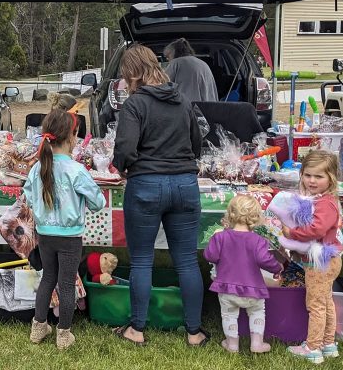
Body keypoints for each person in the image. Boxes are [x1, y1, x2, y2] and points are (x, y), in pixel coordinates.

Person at [112, 43, 206, 347]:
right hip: (184, 185)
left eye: (125, 76)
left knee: (141, 260)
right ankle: (194, 332)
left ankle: (136, 329)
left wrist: (123, 167)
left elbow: (125, 149)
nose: (125, 83)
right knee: (187, 262)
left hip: (146, 186)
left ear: (133, 74)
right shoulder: (183, 101)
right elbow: (197, 144)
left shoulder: (135, 105)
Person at [25, 109, 106, 350]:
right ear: (72, 137)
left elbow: (28, 198)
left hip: (45, 235)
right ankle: (63, 334)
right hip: (70, 237)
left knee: (48, 278)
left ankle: (38, 327)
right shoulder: (76, 170)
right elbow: (97, 202)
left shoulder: (37, 168)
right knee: (67, 283)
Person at [283, 150, 343, 364]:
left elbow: (316, 230)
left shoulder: (325, 203)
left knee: (316, 305)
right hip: (326, 260)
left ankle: (312, 347)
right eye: (307, 175)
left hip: (321, 262)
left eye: (318, 176)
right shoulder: (320, 200)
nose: (311, 180)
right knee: (326, 302)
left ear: (331, 178)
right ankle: (328, 344)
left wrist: (292, 233)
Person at [204, 195, 283, 354]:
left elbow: (210, 256)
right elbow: (264, 259)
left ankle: (232, 344)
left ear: (230, 214)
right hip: (253, 289)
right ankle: (257, 343)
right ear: (255, 217)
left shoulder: (220, 237)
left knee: (228, 315)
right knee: (257, 312)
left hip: (226, 288)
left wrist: (213, 240)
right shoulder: (258, 240)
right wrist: (277, 267)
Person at [163, 38, 218, 104]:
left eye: (168, 56)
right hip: (207, 108)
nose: (168, 60)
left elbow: (164, 86)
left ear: (173, 53)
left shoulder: (176, 63)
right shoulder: (203, 64)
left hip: (186, 108)